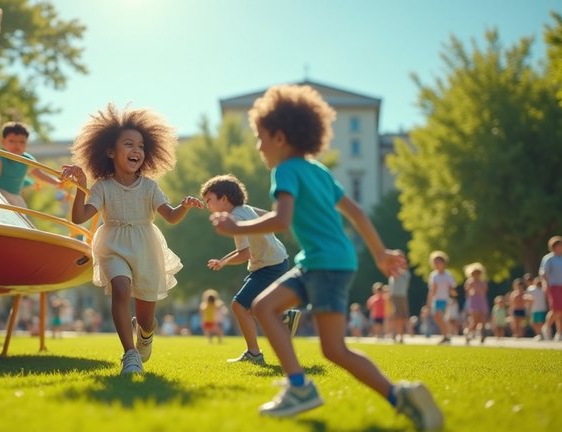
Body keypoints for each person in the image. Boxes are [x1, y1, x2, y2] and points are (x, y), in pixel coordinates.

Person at [209, 84, 442, 429]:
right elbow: (358, 212)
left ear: (280, 137)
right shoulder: (318, 170)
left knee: (271, 312)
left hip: (322, 264)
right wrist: (379, 253)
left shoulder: (285, 171)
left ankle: (303, 387)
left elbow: (283, 219)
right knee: (325, 344)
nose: (259, 147)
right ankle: (396, 396)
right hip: (329, 261)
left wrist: (233, 229)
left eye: (260, 138)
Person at [60, 103, 203, 374]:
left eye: (140, 146)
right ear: (110, 151)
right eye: (129, 144)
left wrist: (183, 206)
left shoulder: (150, 187)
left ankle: (146, 332)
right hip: (112, 243)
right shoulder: (102, 187)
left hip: (146, 247)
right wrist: (80, 187)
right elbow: (79, 217)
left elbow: (170, 216)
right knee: (121, 289)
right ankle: (130, 354)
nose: (136, 150)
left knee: (147, 317)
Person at [200, 174, 295, 363]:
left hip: (269, 266)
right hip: (277, 260)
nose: (207, 206)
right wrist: (224, 259)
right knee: (253, 307)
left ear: (224, 199)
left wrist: (224, 262)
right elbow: (270, 217)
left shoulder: (235, 218)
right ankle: (283, 317)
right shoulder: (246, 209)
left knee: (238, 305)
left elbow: (244, 254)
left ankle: (254, 354)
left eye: (209, 200)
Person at [0, 121, 63, 207]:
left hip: (14, 195)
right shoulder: (1, 156)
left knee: (22, 213)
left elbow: (39, 174)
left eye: (21, 142)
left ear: (27, 144)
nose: (17, 145)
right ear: (3, 142)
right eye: (11, 141)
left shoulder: (27, 159)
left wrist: (56, 182)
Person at [426, 251, 455, 344]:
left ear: (443, 263)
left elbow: (452, 287)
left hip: (444, 299)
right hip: (436, 300)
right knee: (437, 317)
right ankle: (445, 335)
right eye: (435, 262)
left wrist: (453, 293)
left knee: (439, 316)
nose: (437, 264)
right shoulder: (433, 275)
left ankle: (447, 335)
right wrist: (429, 302)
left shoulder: (448, 275)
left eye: (438, 262)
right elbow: (432, 290)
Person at [462, 262, 489, 344]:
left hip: (481, 301)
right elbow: (467, 293)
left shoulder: (482, 282)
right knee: (475, 320)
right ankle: (468, 332)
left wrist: (478, 289)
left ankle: (482, 334)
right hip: (473, 302)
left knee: (483, 319)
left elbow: (484, 292)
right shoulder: (469, 282)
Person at [387, 250, 410, 343]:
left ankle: (400, 335)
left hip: (402, 296)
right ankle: (396, 334)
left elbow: (399, 273)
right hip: (395, 296)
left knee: (402, 316)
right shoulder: (393, 270)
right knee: (396, 316)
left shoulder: (404, 272)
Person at [524, 276, 548, 341]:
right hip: (541, 308)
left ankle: (540, 335)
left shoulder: (532, 289)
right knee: (540, 323)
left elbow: (526, 297)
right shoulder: (543, 289)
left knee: (535, 323)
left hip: (535, 309)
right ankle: (542, 335)